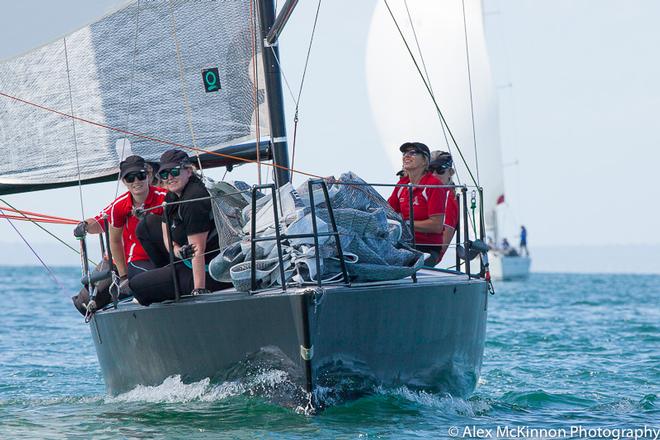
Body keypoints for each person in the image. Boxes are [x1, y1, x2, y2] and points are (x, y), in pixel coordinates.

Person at [129, 149, 229, 305]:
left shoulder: (193, 199)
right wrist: (176, 251)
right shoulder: (174, 193)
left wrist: (199, 291)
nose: (169, 178)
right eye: (164, 174)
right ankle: (168, 272)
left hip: (212, 273)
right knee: (145, 225)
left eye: (174, 172)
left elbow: (198, 250)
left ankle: (178, 281)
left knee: (136, 285)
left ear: (188, 171)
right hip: (185, 259)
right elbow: (165, 231)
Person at [71, 155, 167, 314]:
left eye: (141, 176)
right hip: (121, 261)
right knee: (85, 303)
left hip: (158, 257)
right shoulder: (120, 205)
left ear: (149, 175)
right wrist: (85, 226)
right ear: (124, 181)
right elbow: (101, 222)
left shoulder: (165, 197)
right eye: (130, 178)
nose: (136, 181)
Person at [387, 142, 448, 266]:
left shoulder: (433, 185)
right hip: (403, 245)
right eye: (405, 153)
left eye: (413, 153)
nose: (406, 156)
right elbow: (387, 211)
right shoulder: (402, 185)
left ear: (425, 161)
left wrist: (406, 224)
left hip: (426, 248)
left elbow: (436, 225)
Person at [429, 151, 458, 261]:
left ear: (450, 172)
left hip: (427, 255)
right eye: (430, 170)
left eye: (440, 170)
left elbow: (440, 248)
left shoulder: (448, 196)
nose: (434, 174)